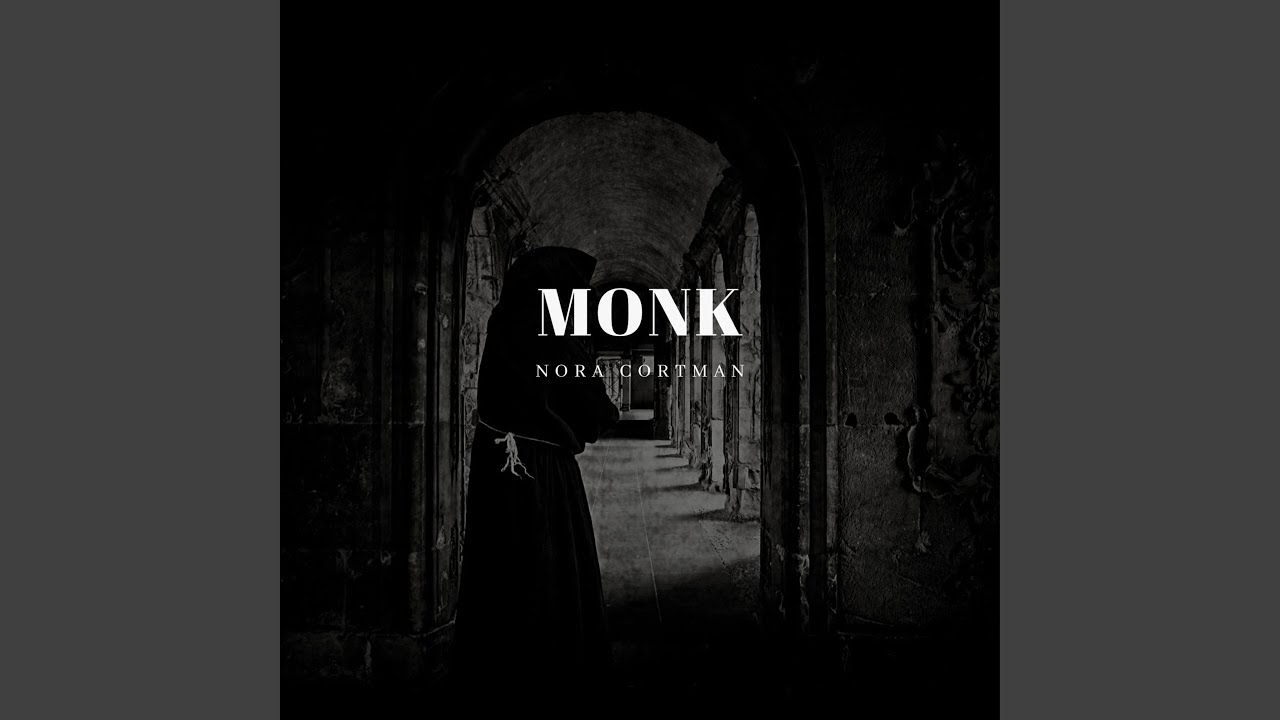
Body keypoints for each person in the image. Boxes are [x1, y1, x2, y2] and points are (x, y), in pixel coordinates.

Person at [452, 246, 620, 700]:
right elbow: (594, 406)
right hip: (542, 472)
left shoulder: (502, 321)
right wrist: (591, 418)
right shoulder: (551, 329)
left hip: (496, 468)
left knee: (501, 571)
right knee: (550, 571)